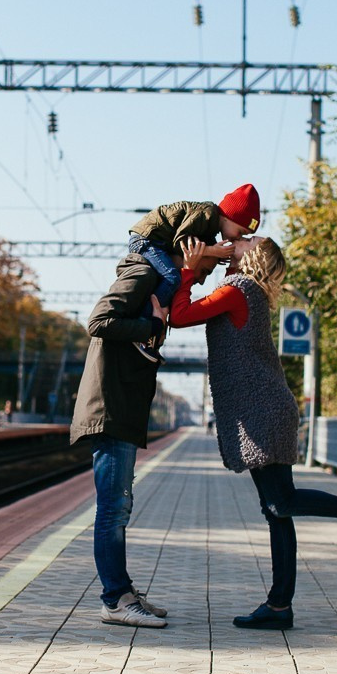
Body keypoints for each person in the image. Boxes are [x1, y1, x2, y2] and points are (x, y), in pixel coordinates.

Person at [169, 235, 337, 630]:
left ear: (252, 256)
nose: (235, 240)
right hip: (263, 410)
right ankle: (279, 607)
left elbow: (180, 316)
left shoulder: (238, 291)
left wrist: (186, 271)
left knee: (281, 504)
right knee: (276, 509)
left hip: (263, 412)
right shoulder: (241, 289)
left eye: (245, 240)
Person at [72, 249, 218, 627]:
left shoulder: (155, 283)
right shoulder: (141, 275)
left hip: (121, 407)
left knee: (119, 508)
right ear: (190, 250)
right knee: (112, 510)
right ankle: (115, 600)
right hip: (110, 407)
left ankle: (121, 593)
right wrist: (153, 326)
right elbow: (98, 321)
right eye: (206, 268)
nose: (203, 278)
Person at [126, 182, 261, 363]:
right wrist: (212, 251)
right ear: (230, 217)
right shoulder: (206, 214)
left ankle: (151, 333)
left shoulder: (210, 229)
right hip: (146, 240)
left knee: (169, 279)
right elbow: (181, 242)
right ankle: (143, 327)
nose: (237, 238)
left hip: (155, 242)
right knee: (172, 278)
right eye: (240, 231)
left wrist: (215, 255)